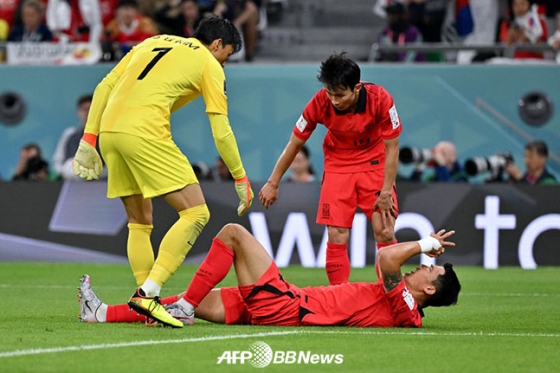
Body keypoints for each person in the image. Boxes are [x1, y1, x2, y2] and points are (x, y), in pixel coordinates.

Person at [71, 16, 254, 328]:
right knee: (196, 212)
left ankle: (148, 305)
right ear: (217, 44)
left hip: (111, 132)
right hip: (145, 132)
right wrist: (239, 176)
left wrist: (89, 139)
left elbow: (104, 86)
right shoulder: (207, 62)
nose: (225, 64)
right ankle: (147, 294)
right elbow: (221, 130)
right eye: (227, 56)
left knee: (139, 222)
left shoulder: (153, 41)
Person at [78, 223, 461, 327]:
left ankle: (185, 308)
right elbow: (387, 261)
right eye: (429, 260)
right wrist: (424, 246)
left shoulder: (407, 306)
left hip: (287, 306)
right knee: (181, 301)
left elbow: (387, 257)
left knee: (233, 233)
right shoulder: (404, 302)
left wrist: (425, 244)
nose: (424, 265)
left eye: (430, 269)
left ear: (429, 287)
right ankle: (100, 313)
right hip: (284, 303)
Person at [259, 52, 402, 286]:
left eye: (340, 95)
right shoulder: (320, 102)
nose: (334, 100)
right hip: (338, 165)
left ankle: (390, 297)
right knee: (336, 235)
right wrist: (273, 182)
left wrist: (386, 192)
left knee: (385, 231)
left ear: (356, 88)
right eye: (329, 93)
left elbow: (393, 148)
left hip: (374, 164)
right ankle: (339, 298)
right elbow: (295, 142)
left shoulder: (381, 99)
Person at [52, 94, 94, 180]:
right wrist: (65, 172)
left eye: (91, 109)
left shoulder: (103, 136)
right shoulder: (69, 134)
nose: (87, 113)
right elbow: (58, 160)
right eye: (85, 109)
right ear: (78, 112)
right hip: (71, 182)